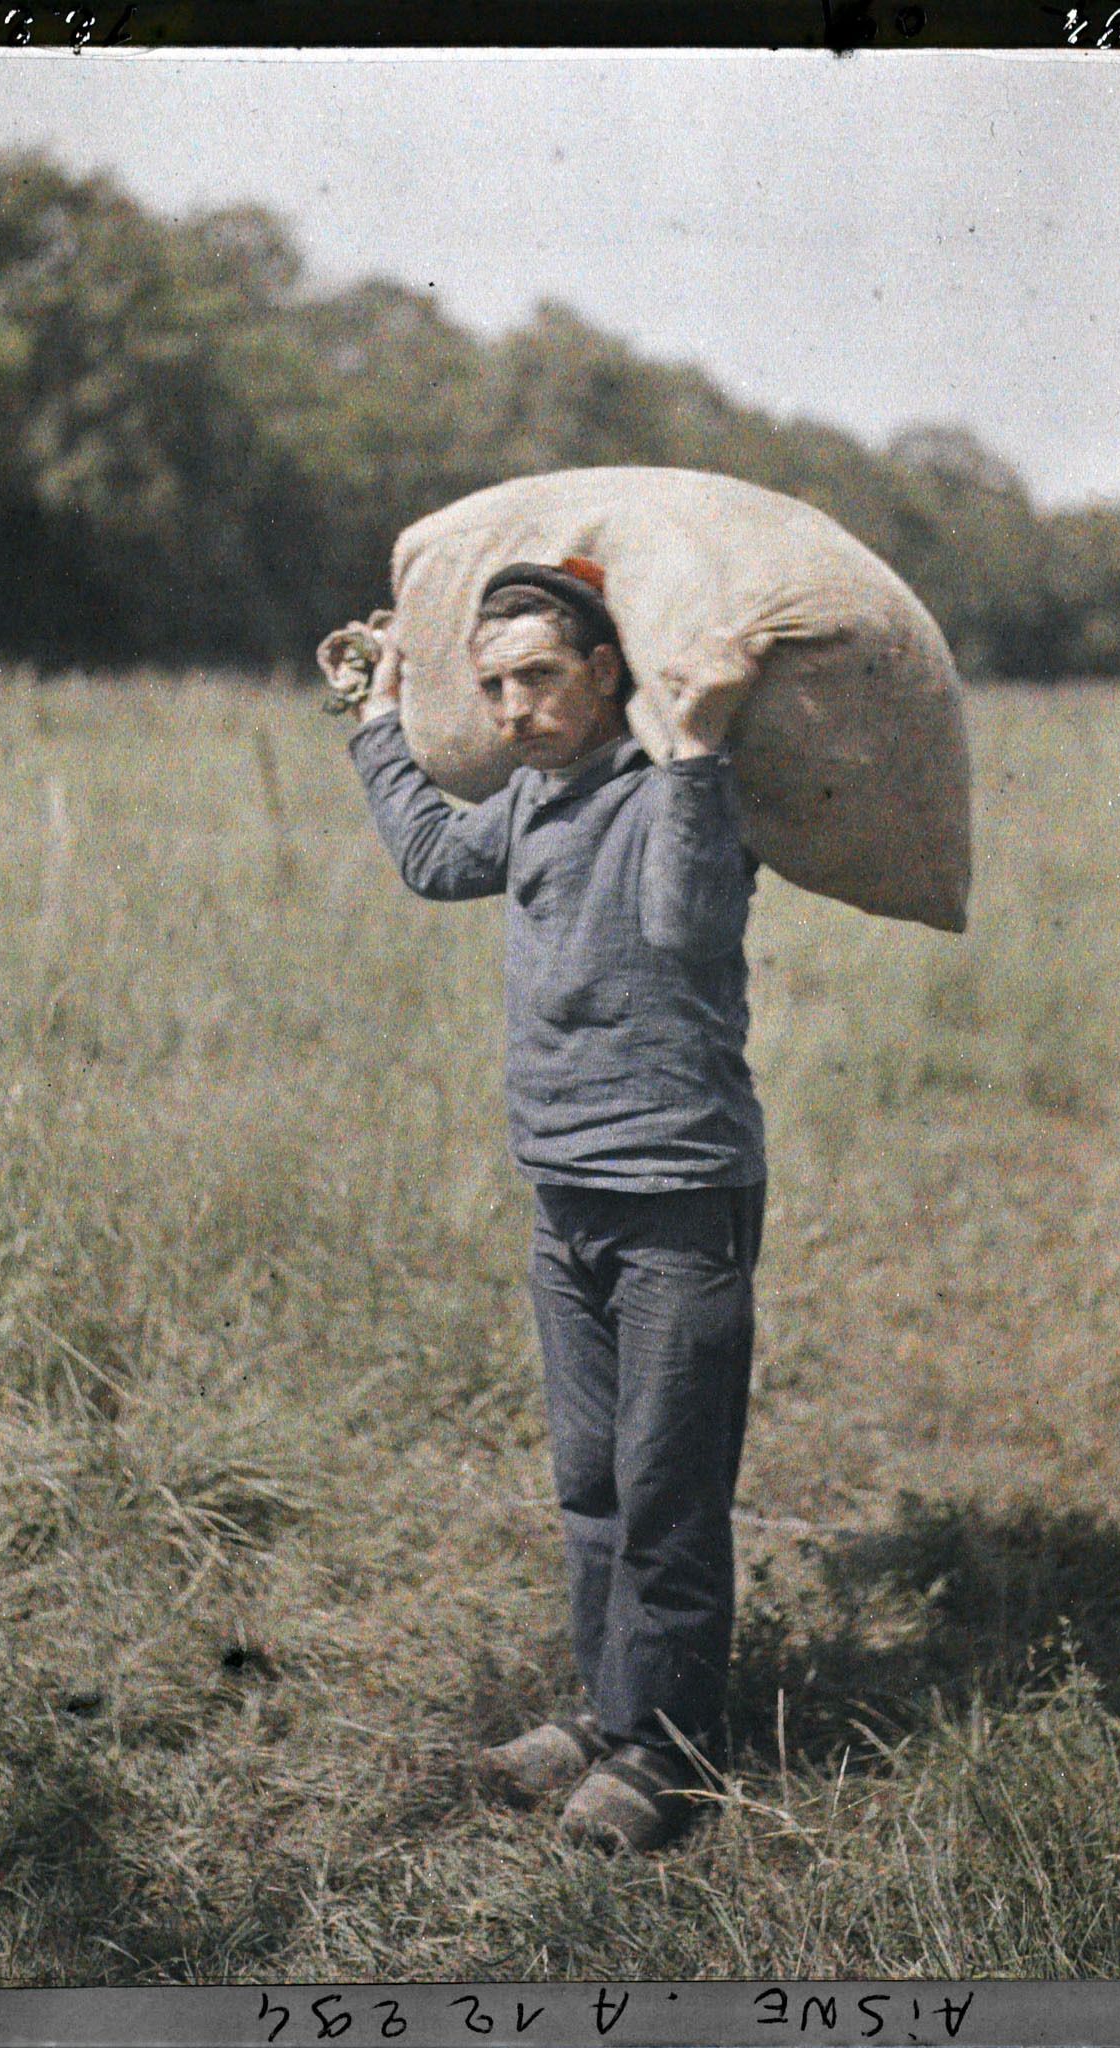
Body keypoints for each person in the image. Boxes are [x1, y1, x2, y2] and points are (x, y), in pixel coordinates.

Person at [347, 557, 769, 1854]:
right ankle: (611, 1710)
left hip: (679, 1198)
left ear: (604, 672)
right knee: (591, 1480)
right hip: (566, 1193)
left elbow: (688, 926)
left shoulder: (680, 795)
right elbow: (428, 855)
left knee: (667, 1485)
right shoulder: (532, 799)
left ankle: (668, 1751)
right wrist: (377, 716)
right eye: (494, 686)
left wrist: (694, 754)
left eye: (540, 676)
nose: (516, 707)